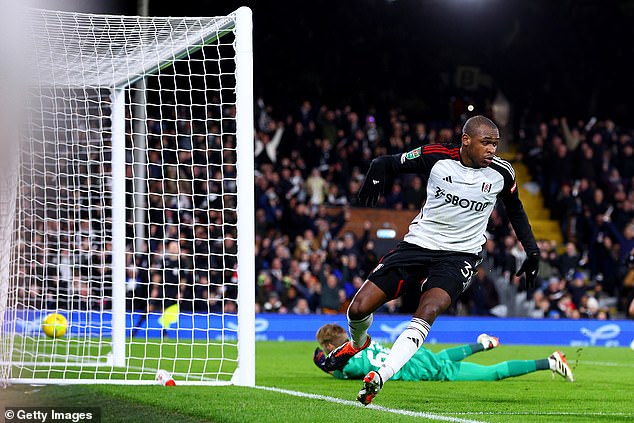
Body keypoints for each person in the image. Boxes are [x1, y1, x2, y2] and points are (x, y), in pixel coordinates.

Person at [324, 115, 541, 405]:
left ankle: (381, 376)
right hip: (418, 245)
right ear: (466, 140)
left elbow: (516, 210)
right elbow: (388, 161)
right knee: (358, 309)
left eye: (495, 144)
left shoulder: (502, 173)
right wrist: (376, 171)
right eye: (486, 143)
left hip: (460, 255)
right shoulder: (437, 157)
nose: (492, 150)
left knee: (429, 308)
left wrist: (532, 250)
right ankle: (356, 344)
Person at [314, 323, 574, 384]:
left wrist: (325, 365)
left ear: (329, 347)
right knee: (441, 357)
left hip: (424, 370)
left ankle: (550, 362)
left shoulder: (346, 365)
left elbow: (340, 370)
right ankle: (484, 344)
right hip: (415, 355)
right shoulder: (364, 344)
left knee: (493, 374)